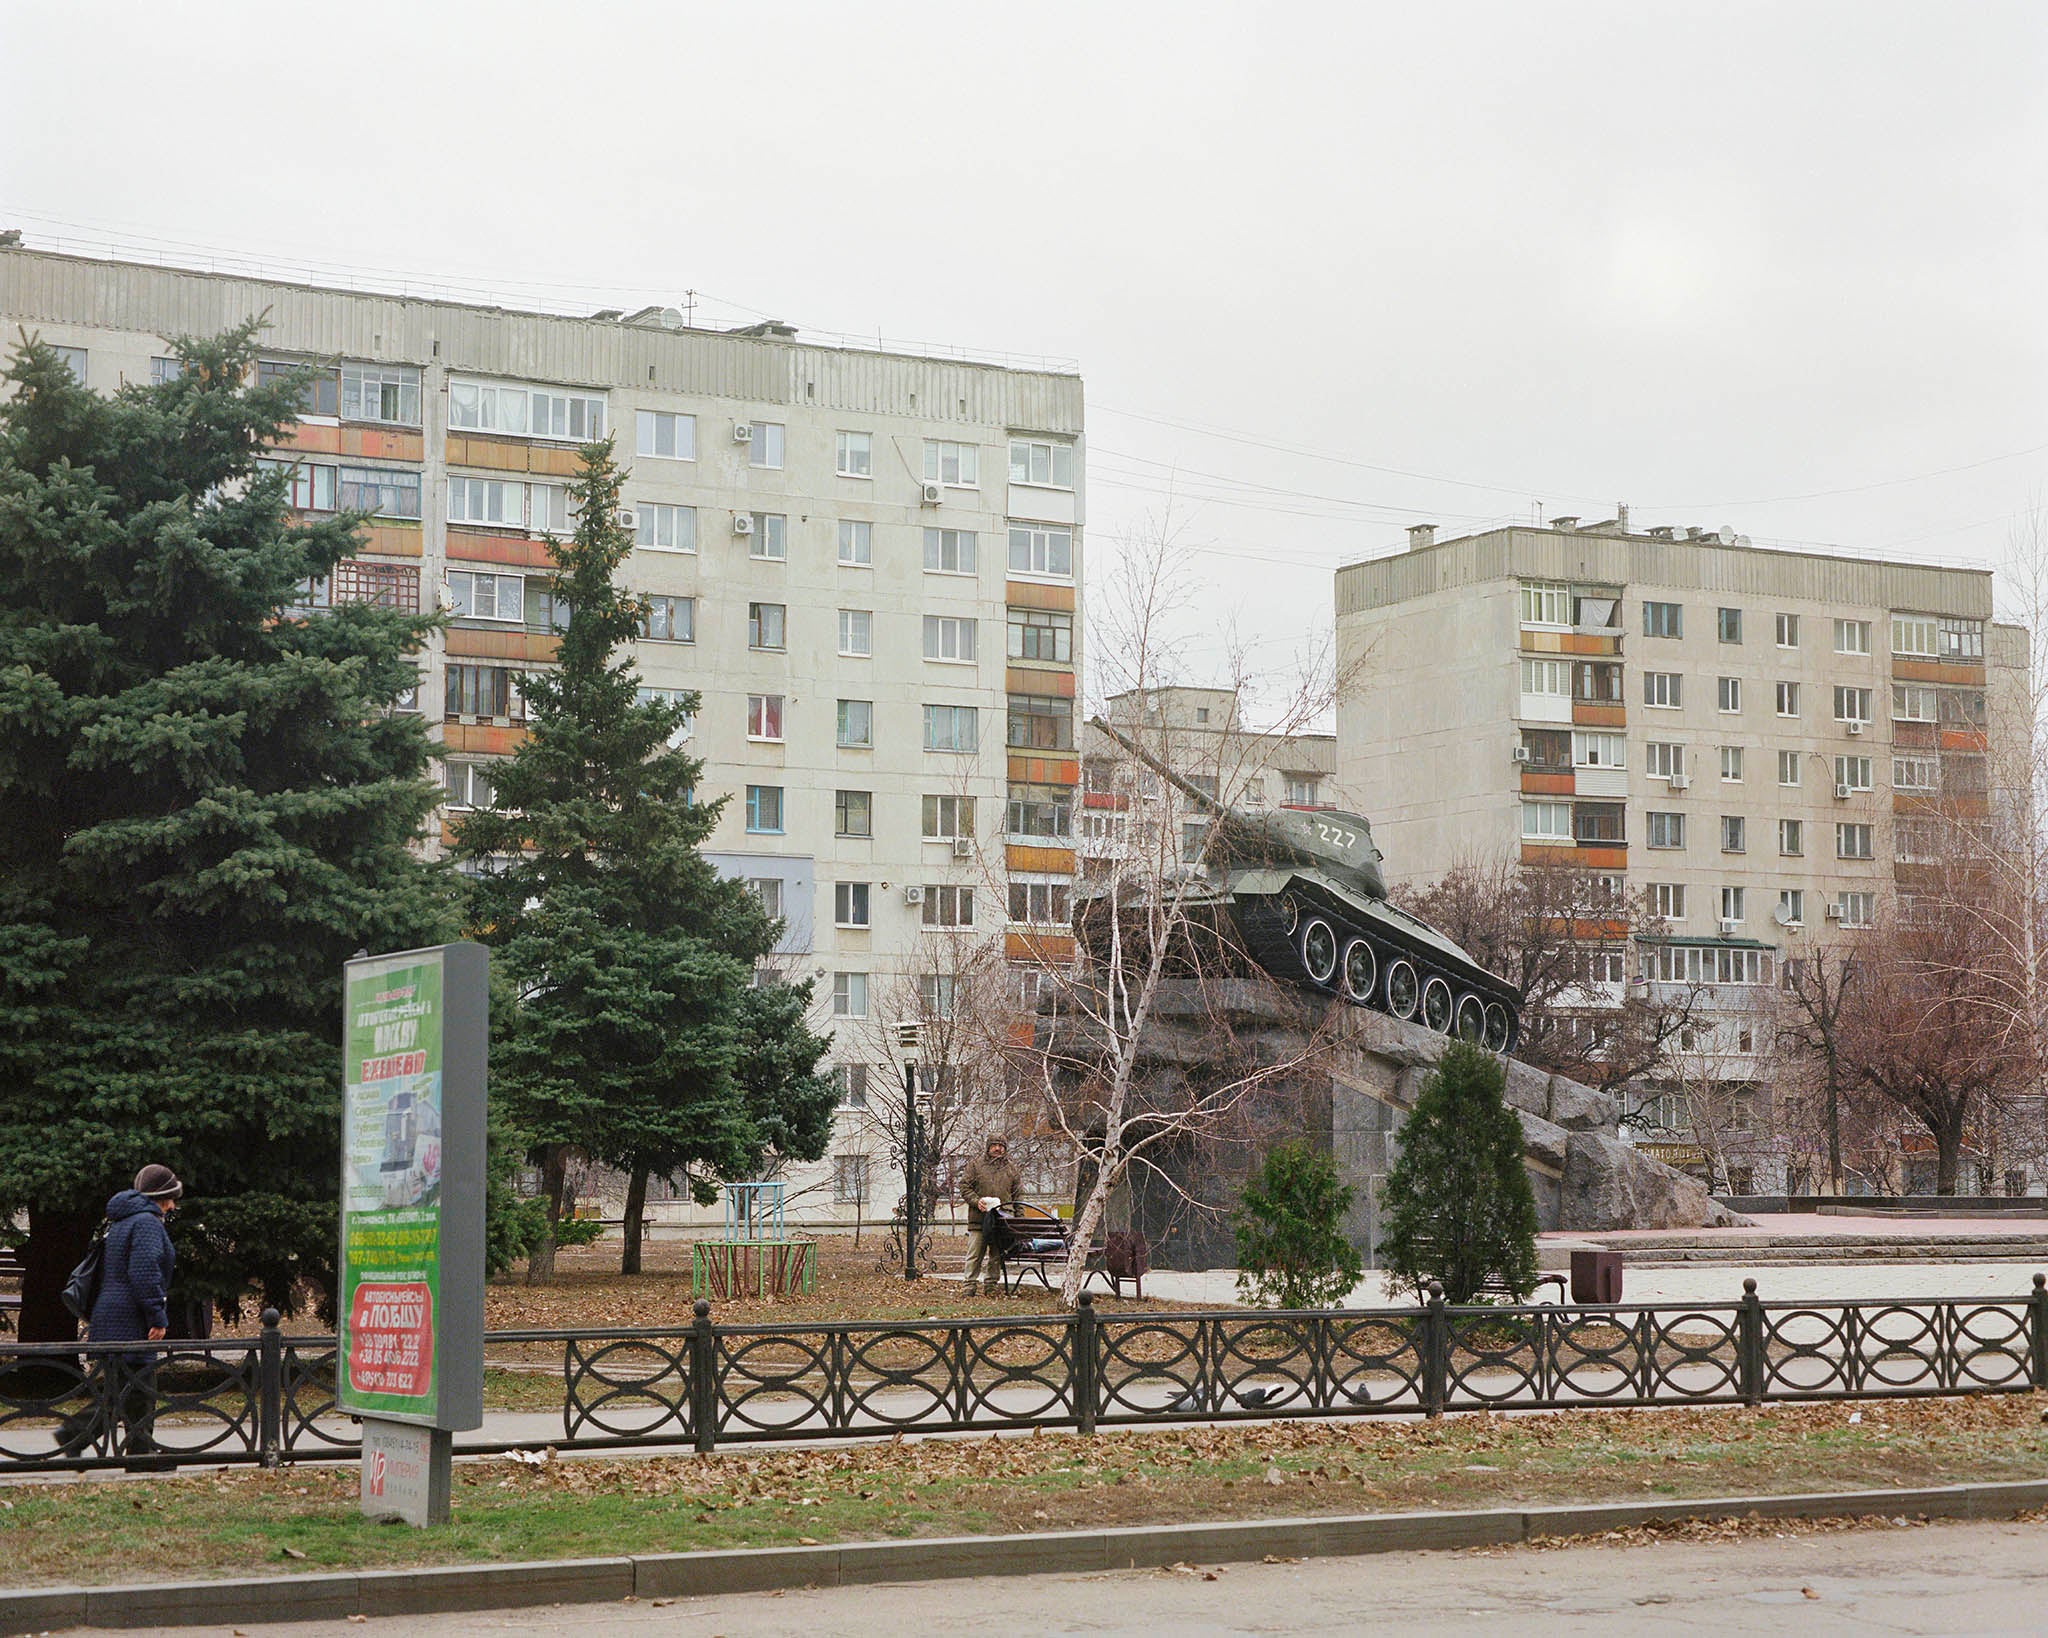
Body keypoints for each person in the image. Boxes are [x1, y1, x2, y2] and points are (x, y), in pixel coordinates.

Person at [83, 1164, 182, 1463]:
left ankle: (73, 1439)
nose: (173, 1205)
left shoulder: (124, 1221)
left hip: (112, 1314)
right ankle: (138, 1455)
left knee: (125, 1392)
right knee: (139, 1389)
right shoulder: (147, 1223)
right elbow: (144, 1272)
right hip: (131, 1317)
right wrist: (157, 1317)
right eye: (171, 1198)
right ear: (161, 1197)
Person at [958, 1137, 1023, 1297]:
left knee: (996, 1255)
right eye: (994, 1145)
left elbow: (1018, 1196)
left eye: (1001, 1146)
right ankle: (969, 1286)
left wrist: (1018, 1219)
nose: (997, 1149)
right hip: (979, 1218)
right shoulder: (975, 1165)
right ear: (988, 1147)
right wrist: (975, 1201)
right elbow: (964, 1186)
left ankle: (991, 1286)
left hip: (1002, 1220)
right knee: (974, 1254)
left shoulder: (1011, 1169)